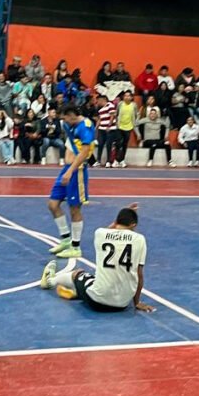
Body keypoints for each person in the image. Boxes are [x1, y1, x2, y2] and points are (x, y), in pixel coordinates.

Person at [40, 205, 154, 313]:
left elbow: (111, 229)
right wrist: (137, 302)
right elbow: (139, 275)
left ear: (116, 222)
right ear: (133, 225)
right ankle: (77, 292)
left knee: (78, 273)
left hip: (97, 302)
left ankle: (49, 281)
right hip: (122, 304)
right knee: (102, 278)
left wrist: (119, 219)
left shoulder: (100, 233)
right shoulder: (140, 239)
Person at [47, 105, 95, 259]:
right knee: (53, 205)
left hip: (77, 171)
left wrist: (70, 170)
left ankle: (76, 247)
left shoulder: (85, 127)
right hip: (67, 168)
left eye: (65, 117)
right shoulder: (68, 124)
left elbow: (85, 152)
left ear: (72, 115)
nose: (63, 120)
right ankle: (66, 240)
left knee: (74, 209)